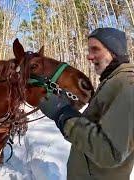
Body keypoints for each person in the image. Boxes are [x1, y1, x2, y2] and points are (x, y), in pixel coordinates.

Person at [38, 27, 134, 180]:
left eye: (95, 49)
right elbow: (97, 127)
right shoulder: (112, 82)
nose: (89, 56)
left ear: (114, 51)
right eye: (89, 50)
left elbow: (110, 153)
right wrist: (67, 106)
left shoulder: (128, 85)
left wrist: (63, 114)